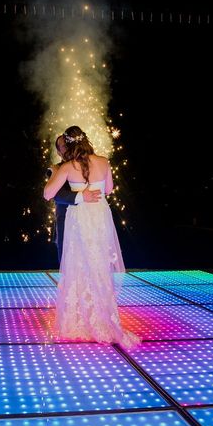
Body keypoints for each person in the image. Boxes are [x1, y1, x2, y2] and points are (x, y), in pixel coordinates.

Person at [44, 126, 140, 349]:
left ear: (68, 145)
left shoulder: (67, 167)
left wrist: (78, 193)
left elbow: (48, 193)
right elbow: (109, 189)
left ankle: (79, 320)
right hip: (99, 218)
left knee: (78, 266)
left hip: (80, 220)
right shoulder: (104, 161)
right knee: (99, 266)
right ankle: (103, 318)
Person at [48, 135, 101, 263]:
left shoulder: (90, 163)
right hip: (66, 219)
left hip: (90, 219)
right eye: (64, 146)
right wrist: (81, 196)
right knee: (68, 262)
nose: (68, 148)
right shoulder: (57, 169)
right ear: (58, 152)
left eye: (68, 144)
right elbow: (56, 195)